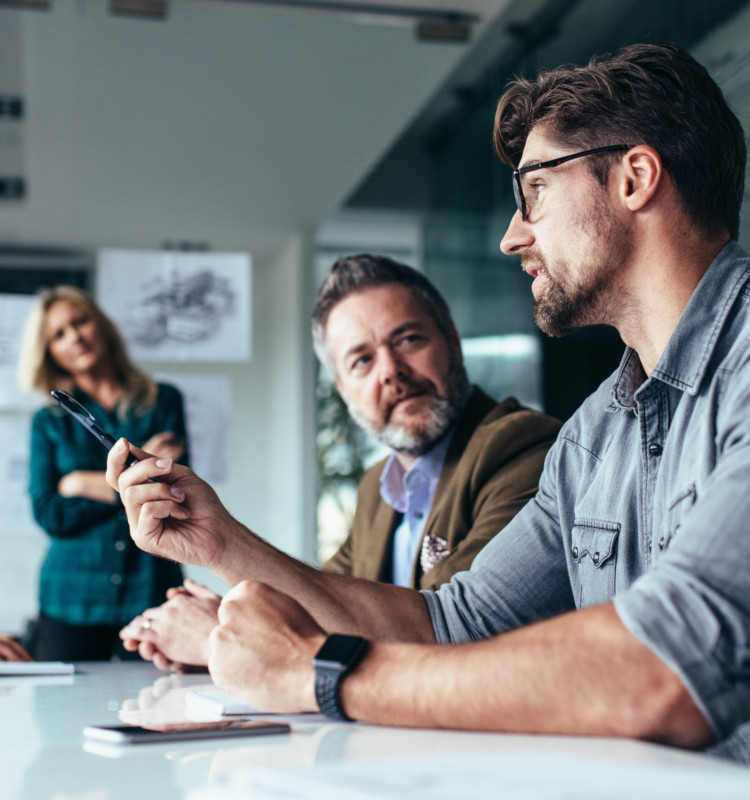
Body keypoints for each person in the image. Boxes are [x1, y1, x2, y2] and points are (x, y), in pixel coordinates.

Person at [107, 41, 749, 748]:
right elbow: (450, 624)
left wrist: (323, 675)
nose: (512, 237)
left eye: (534, 190)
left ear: (635, 178)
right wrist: (220, 539)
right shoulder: (596, 435)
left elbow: (670, 668)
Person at [119, 255, 561, 670]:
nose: (390, 370)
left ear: (452, 339)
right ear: (342, 388)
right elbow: (323, 604)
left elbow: (447, 635)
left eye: (408, 339)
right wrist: (231, 612)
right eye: (362, 360)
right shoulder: (378, 487)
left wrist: (221, 635)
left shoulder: (522, 447)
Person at [19, 285, 189, 661]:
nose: (75, 336)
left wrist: (78, 483)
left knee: (157, 706)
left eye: (80, 322)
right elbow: (49, 512)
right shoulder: (48, 423)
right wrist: (133, 483)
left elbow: (173, 492)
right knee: (66, 715)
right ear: (50, 353)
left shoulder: (164, 401)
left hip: (149, 589)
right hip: (71, 597)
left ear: (101, 326)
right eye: (59, 334)